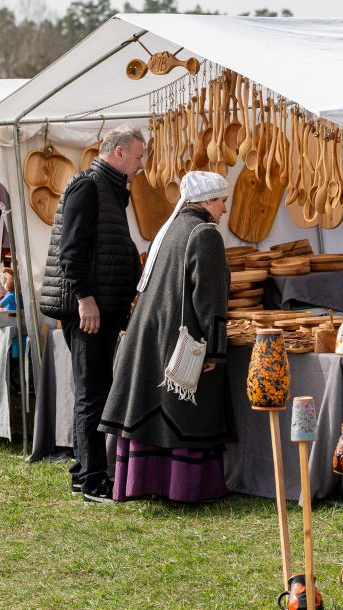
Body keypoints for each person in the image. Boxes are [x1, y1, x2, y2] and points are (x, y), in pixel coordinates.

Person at [98, 171, 235, 504]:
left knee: (154, 411)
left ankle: (147, 483)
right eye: (221, 201)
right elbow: (211, 298)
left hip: (153, 332)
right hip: (180, 340)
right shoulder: (205, 234)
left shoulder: (171, 229)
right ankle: (183, 487)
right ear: (205, 201)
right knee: (184, 414)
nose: (224, 210)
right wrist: (215, 351)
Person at [38, 125, 145, 503]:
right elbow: (72, 250)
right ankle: (92, 480)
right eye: (137, 156)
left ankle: (85, 472)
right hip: (88, 311)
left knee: (95, 390)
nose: (140, 163)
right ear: (118, 154)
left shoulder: (111, 190)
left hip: (103, 307)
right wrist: (85, 298)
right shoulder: (88, 186)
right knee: (91, 393)